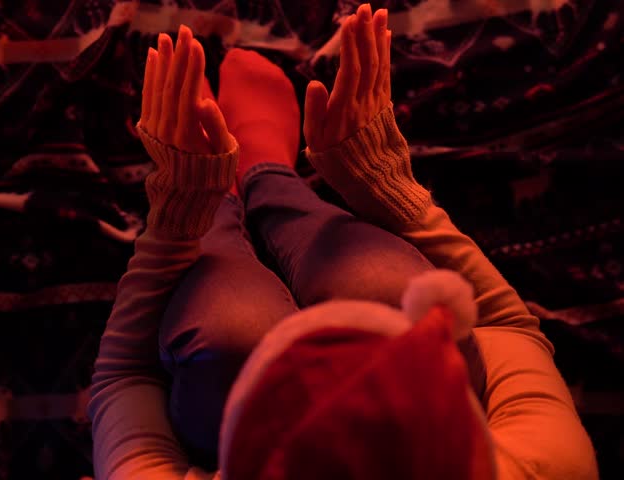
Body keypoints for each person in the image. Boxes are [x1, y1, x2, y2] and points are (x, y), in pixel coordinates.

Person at [88, 4, 598, 479]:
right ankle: (267, 173)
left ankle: (222, 197)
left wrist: (178, 215)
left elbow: (122, 375)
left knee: (234, 337)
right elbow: (503, 324)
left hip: (225, 428)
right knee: (389, 299)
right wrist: (386, 188)